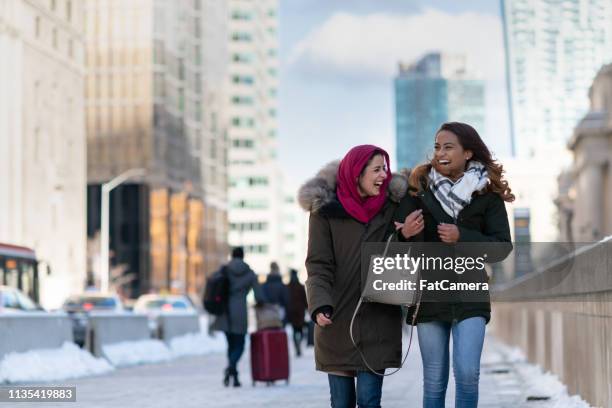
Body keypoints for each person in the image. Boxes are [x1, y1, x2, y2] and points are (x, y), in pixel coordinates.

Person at [394, 122, 514, 408]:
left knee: (468, 374)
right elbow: (398, 250)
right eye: (437, 147)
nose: (440, 152)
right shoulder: (417, 191)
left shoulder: (487, 195)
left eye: (448, 147)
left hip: (470, 294)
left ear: (468, 153)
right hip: (430, 294)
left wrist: (463, 237)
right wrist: (404, 234)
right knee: (434, 380)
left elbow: (502, 247)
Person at [298, 145, 409, 408]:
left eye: (385, 168)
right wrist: (319, 303)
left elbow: (401, 260)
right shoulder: (325, 211)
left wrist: (404, 236)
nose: (384, 175)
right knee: (341, 403)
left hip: (378, 321)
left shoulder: (392, 206)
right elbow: (318, 263)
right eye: (377, 169)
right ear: (357, 173)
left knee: (369, 401)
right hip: (336, 321)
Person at [211, 246, 265, 387]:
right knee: (240, 345)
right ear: (243, 256)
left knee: (230, 345)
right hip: (240, 311)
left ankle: (233, 374)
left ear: (232, 255)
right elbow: (259, 295)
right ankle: (231, 368)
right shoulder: (249, 272)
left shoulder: (224, 270)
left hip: (224, 312)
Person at [286, 269, 308, 357]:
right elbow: (305, 299)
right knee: (300, 329)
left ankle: (296, 346)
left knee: (295, 329)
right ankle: (298, 344)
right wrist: (307, 308)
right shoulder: (300, 286)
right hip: (300, 311)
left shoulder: (288, 286)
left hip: (291, 311)